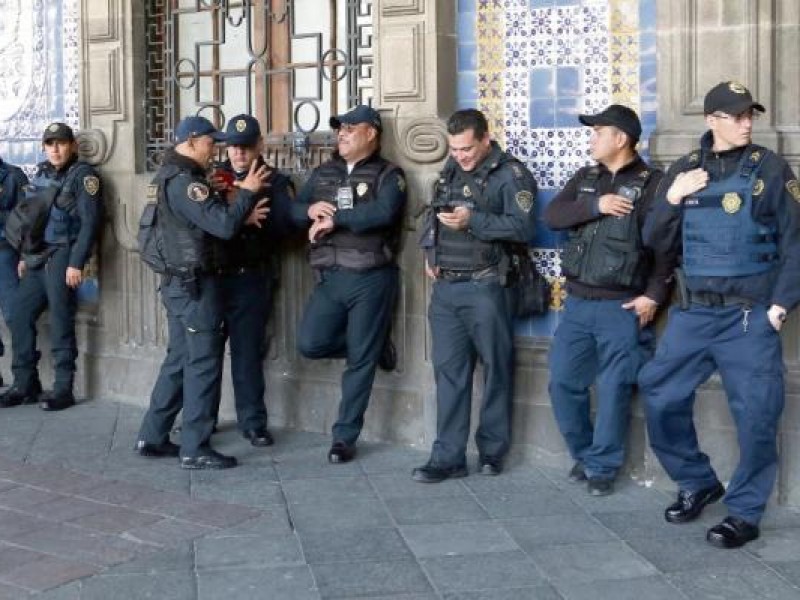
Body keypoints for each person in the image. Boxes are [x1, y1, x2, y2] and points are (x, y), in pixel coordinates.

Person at [639, 81, 800, 548]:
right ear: (712, 120)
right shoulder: (684, 170)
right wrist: (671, 200)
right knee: (659, 391)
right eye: (736, 115)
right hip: (693, 315)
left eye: (750, 114)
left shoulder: (770, 169)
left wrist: (779, 306)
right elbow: (655, 240)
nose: (747, 121)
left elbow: (795, 244)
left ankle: (745, 513)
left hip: (749, 318)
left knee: (756, 416)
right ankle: (696, 480)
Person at [543, 105, 667, 496]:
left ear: (621, 139)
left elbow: (665, 248)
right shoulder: (587, 178)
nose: (591, 138)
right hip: (578, 302)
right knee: (563, 382)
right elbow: (553, 216)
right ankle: (584, 454)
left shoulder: (653, 184)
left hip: (622, 305)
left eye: (598, 132)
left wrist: (653, 296)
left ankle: (603, 467)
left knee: (614, 389)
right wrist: (595, 206)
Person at [135, 115, 269, 469]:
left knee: (178, 359)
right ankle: (195, 446)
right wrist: (247, 195)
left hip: (178, 284)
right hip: (197, 287)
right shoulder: (187, 183)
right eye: (212, 142)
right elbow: (223, 226)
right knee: (203, 364)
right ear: (192, 141)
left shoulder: (166, 176)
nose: (217, 149)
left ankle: (152, 434)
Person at [412, 108, 537, 483]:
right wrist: (431, 254)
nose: (461, 155)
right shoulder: (450, 169)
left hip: (486, 286)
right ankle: (448, 455)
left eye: (467, 148)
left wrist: (474, 221)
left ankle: (492, 452)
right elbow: (432, 215)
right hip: (447, 289)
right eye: (454, 149)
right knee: (449, 373)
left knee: (496, 369)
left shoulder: (511, 175)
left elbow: (524, 227)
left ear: (485, 139)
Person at [290, 104, 406, 464]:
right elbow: (291, 209)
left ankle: (344, 437)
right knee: (310, 343)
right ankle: (372, 349)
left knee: (359, 364)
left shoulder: (390, 174)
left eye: (350, 129)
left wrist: (336, 218)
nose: (341, 134)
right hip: (331, 276)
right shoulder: (325, 172)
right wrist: (308, 212)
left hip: (370, 276)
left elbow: (383, 213)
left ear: (371, 133)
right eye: (339, 129)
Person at [0, 123, 102, 411]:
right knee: (19, 315)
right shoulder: (42, 173)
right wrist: (23, 256)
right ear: (44, 147)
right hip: (36, 256)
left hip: (63, 255)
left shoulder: (84, 177)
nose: (55, 149)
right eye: (50, 144)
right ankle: (25, 383)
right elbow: (32, 220)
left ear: (72, 145)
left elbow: (90, 223)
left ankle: (62, 388)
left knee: (60, 320)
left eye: (60, 143)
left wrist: (76, 263)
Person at [209, 114, 295, 447]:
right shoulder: (214, 179)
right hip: (215, 277)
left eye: (245, 147)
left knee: (247, 354)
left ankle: (253, 422)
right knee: (207, 353)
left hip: (251, 278)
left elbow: (285, 227)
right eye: (233, 147)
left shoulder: (275, 181)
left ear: (259, 145)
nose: (239, 154)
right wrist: (242, 214)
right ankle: (203, 416)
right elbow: (208, 223)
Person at [0, 156, 28, 385]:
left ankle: (23, 379)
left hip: (5, 252)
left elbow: (26, 219)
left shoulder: (13, 176)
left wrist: (25, 256)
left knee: (14, 314)